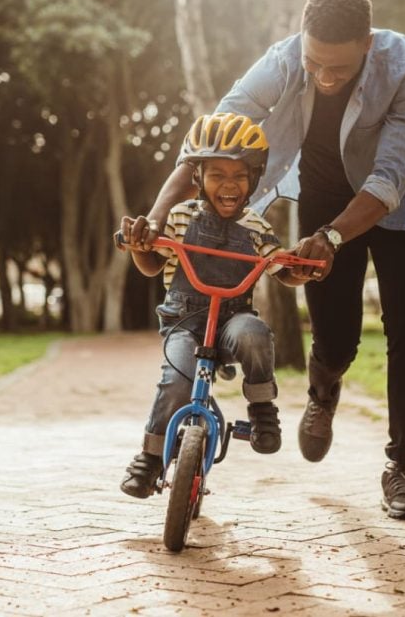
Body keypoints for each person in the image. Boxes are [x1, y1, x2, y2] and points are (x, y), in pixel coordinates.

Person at [133, 0, 405, 520]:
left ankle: (401, 466)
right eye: (314, 63)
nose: (324, 77)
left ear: (367, 44)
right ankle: (324, 388)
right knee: (337, 336)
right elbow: (214, 136)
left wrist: (333, 239)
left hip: (399, 200)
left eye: (338, 69)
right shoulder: (282, 60)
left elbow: (389, 177)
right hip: (324, 194)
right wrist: (158, 213)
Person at [118, 113, 309, 499]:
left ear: (254, 179)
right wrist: (140, 247)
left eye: (239, 176)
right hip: (184, 321)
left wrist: (300, 269)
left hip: (232, 320)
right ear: (198, 178)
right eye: (217, 174)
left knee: (255, 335)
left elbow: (279, 268)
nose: (229, 184)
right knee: (177, 380)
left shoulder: (256, 227)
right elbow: (153, 264)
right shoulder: (178, 216)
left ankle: (261, 409)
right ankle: (150, 457)